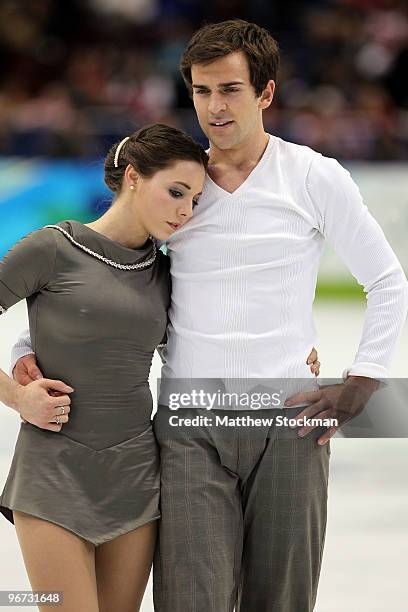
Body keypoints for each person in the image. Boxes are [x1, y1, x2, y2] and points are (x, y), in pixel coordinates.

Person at [11, 18, 407, 612]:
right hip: (190, 422)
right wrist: (24, 350)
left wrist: (363, 381)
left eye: (230, 90)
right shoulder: (180, 186)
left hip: (288, 418)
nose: (214, 108)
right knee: (191, 600)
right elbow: (102, 282)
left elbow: (387, 281)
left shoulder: (314, 177)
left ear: (266, 93)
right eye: (201, 92)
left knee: (282, 599)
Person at [0, 123, 208, 612]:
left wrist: (298, 353)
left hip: (135, 477)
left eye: (195, 200)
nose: (185, 211)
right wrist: (18, 396)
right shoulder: (50, 248)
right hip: (52, 472)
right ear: (133, 176)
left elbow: (209, 341)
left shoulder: (166, 273)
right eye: (176, 192)